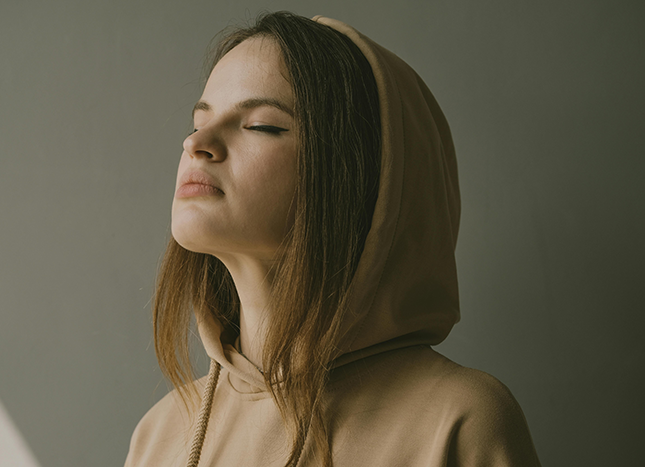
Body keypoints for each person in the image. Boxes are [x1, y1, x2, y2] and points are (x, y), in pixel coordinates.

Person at [124, 11, 542, 467]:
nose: (198, 142)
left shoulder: (460, 421)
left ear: (359, 180)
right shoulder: (161, 435)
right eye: (197, 121)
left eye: (261, 125)